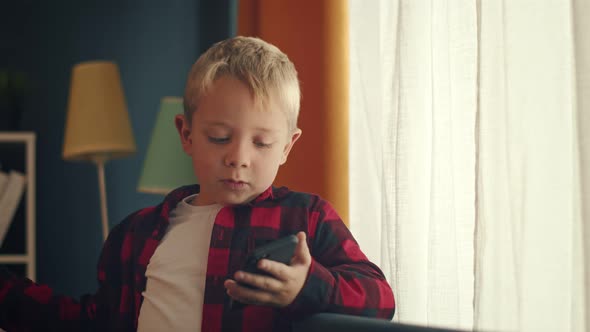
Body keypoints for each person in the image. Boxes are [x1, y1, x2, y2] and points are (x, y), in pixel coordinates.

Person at [0, 36, 395, 331]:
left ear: (288, 146)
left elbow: (380, 299)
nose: (238, 156)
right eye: (220, 137)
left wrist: (307, 287)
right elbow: (94, 321)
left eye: (261, 142)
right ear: (186, 134)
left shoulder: (307, 219)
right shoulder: (134, 234)